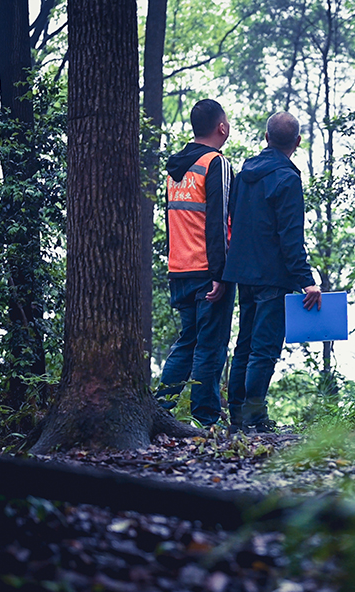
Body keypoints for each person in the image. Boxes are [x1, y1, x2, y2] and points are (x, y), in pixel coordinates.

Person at [223, 111, 321, 434]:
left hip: (242, 272)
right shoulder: (288, 179)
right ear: (297, 142)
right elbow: (290, 237)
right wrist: (306, 281)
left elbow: (233, 219)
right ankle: (253, 417)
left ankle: (237, 417)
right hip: (271, 276)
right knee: (264, 349)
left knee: (245, 345)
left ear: (266, 138)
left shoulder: (243, 173)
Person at [156, 99, 235, 428]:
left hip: (179, 270)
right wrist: (220, 273)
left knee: (188, 341)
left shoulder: (176, 168)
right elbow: (217, 220)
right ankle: (207, 420)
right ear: (222, 127)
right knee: (210, 344)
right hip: (207, 272)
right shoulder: (215, 163)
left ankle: (160, 409)